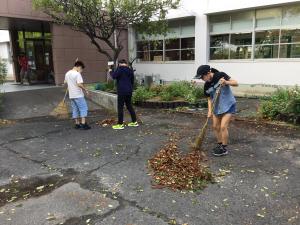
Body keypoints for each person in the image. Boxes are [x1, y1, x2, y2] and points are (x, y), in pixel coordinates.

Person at [195, 65, 238, 156]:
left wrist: (226, 82)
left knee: (223, 127)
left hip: (228, 105)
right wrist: (209, 111)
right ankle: (220, 145)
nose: (202, 79)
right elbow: (209, 99)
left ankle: (224, 148)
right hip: (217, 107)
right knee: (215, 126)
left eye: (202, 77)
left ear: (208, 73)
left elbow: (236, 83)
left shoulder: (220, 75)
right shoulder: (206, 85)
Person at [109, 59, 138, 130]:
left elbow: (114, 76)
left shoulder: (120, 69)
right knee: (129, 106)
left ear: (119, 64)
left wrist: (110, 71)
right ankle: (134, 122)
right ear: (126, 63)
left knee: (120, 107)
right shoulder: (130, 70)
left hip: (122, 91)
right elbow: (132, 81)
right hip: (129, 90)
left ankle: (120, 124)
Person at [64, 61, 91, 130]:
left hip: (71, 95)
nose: (81, 71)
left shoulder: (67, 73)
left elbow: (65, 82)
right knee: (83, 108)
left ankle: (77, 124)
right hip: (78, 95)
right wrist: (86, 90)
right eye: (81, 69)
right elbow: (79, 84)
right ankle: (83, 124)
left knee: (75, 109)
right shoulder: (77, 74)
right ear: (79, 67)